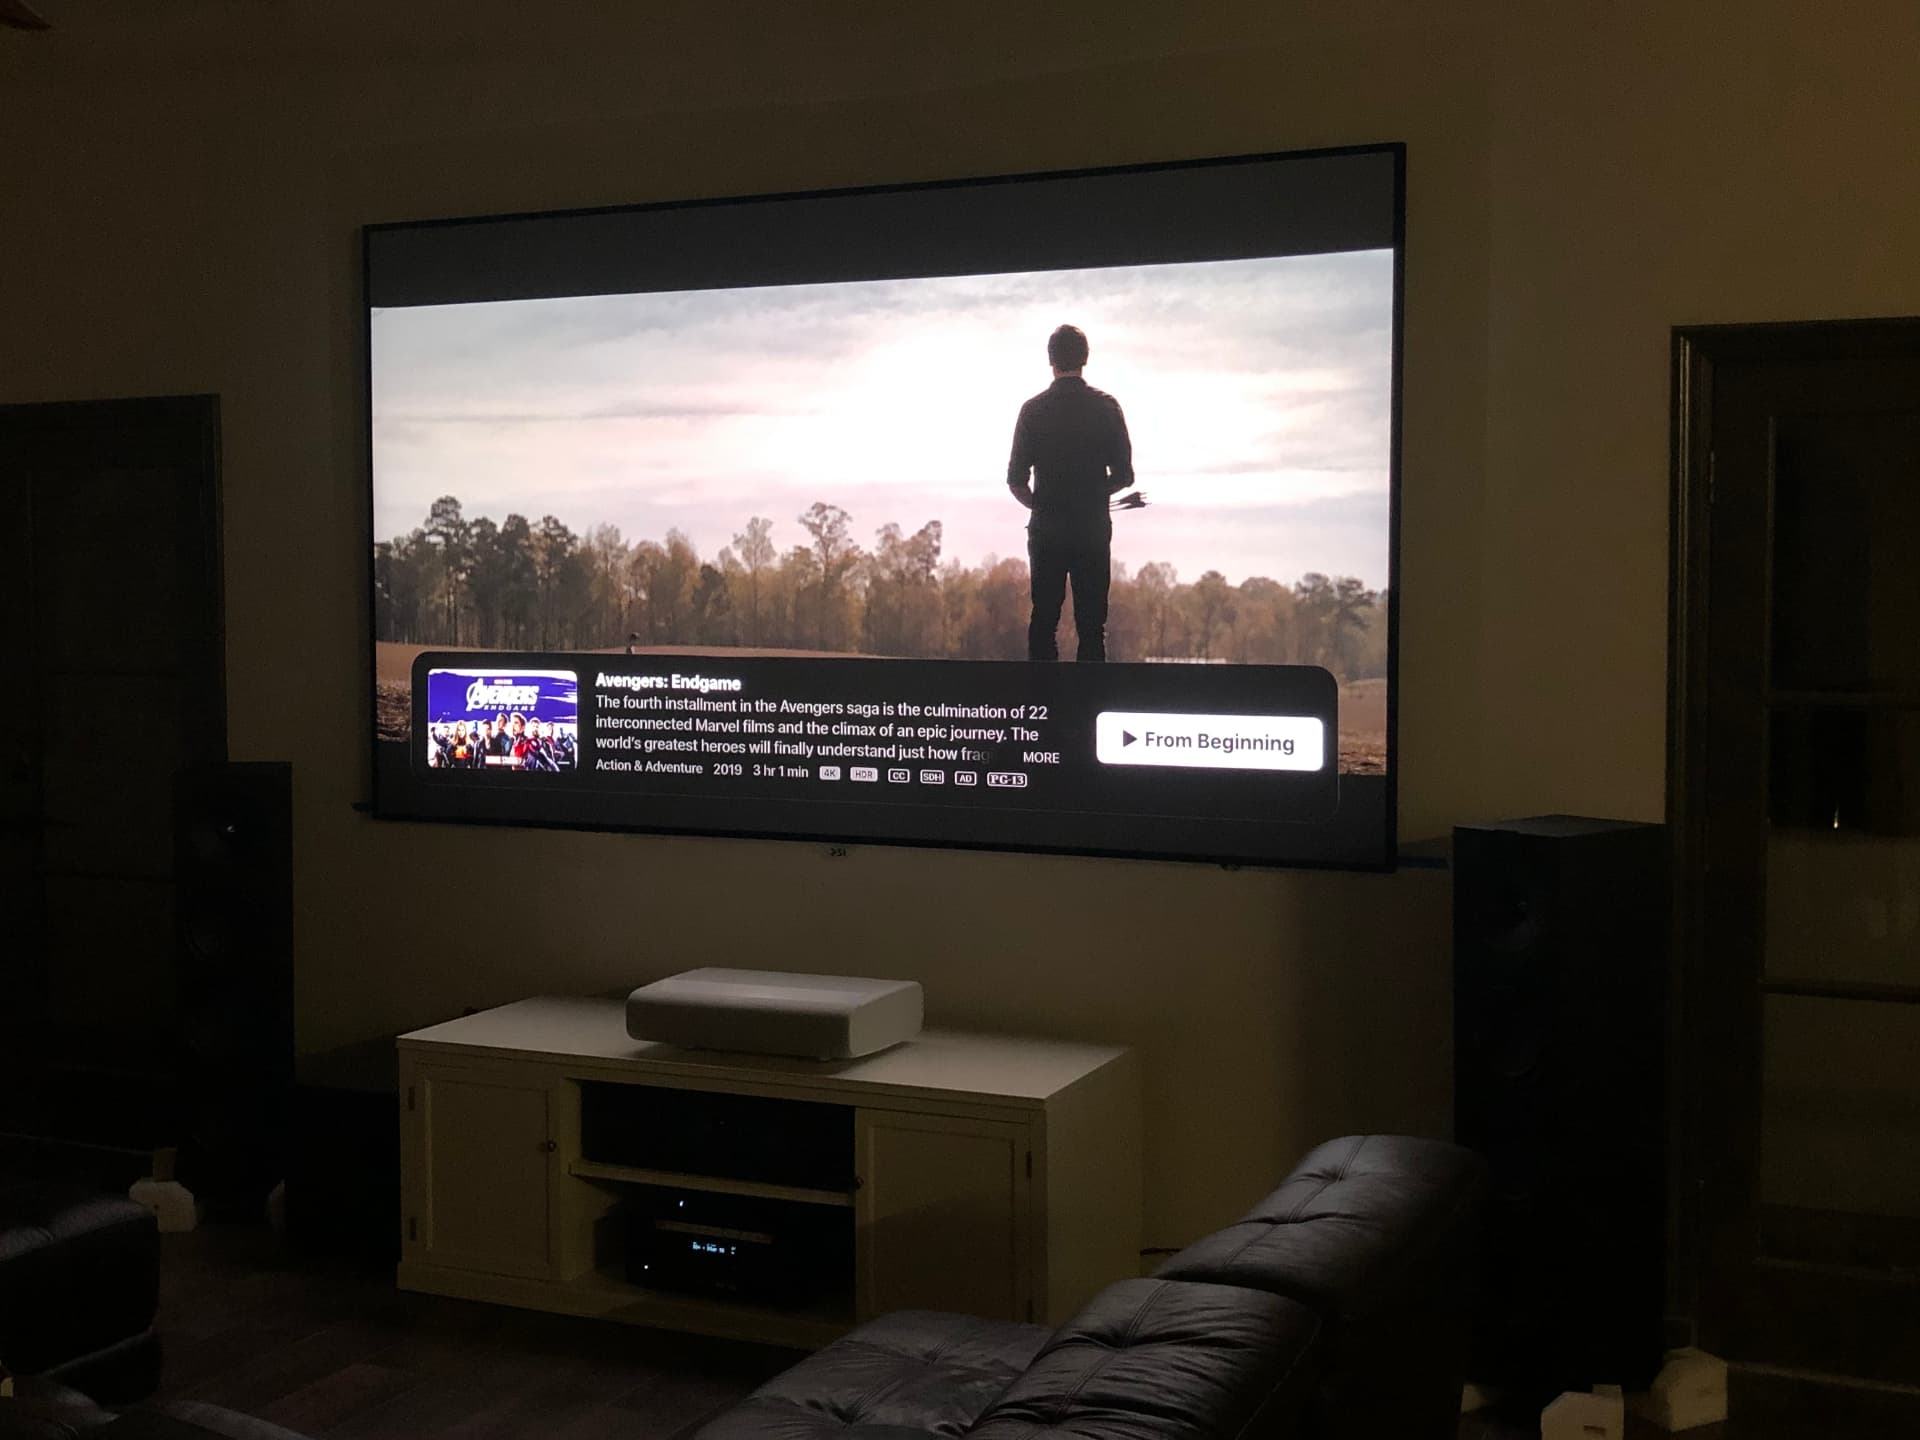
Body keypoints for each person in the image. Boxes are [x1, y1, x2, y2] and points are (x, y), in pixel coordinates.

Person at [1005, 324, 1133, 662]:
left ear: (1050, 360)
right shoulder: (1106, 407)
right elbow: (1125, 476)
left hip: (1046, 531)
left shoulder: (1032, 410)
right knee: (1092, 627)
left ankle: (1043, 706)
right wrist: (1091, 495)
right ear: (1086, 358)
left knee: (1043, 620)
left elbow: (1016, 481)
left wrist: (1044, 505)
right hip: (1092, 531)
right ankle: (1087, 706)